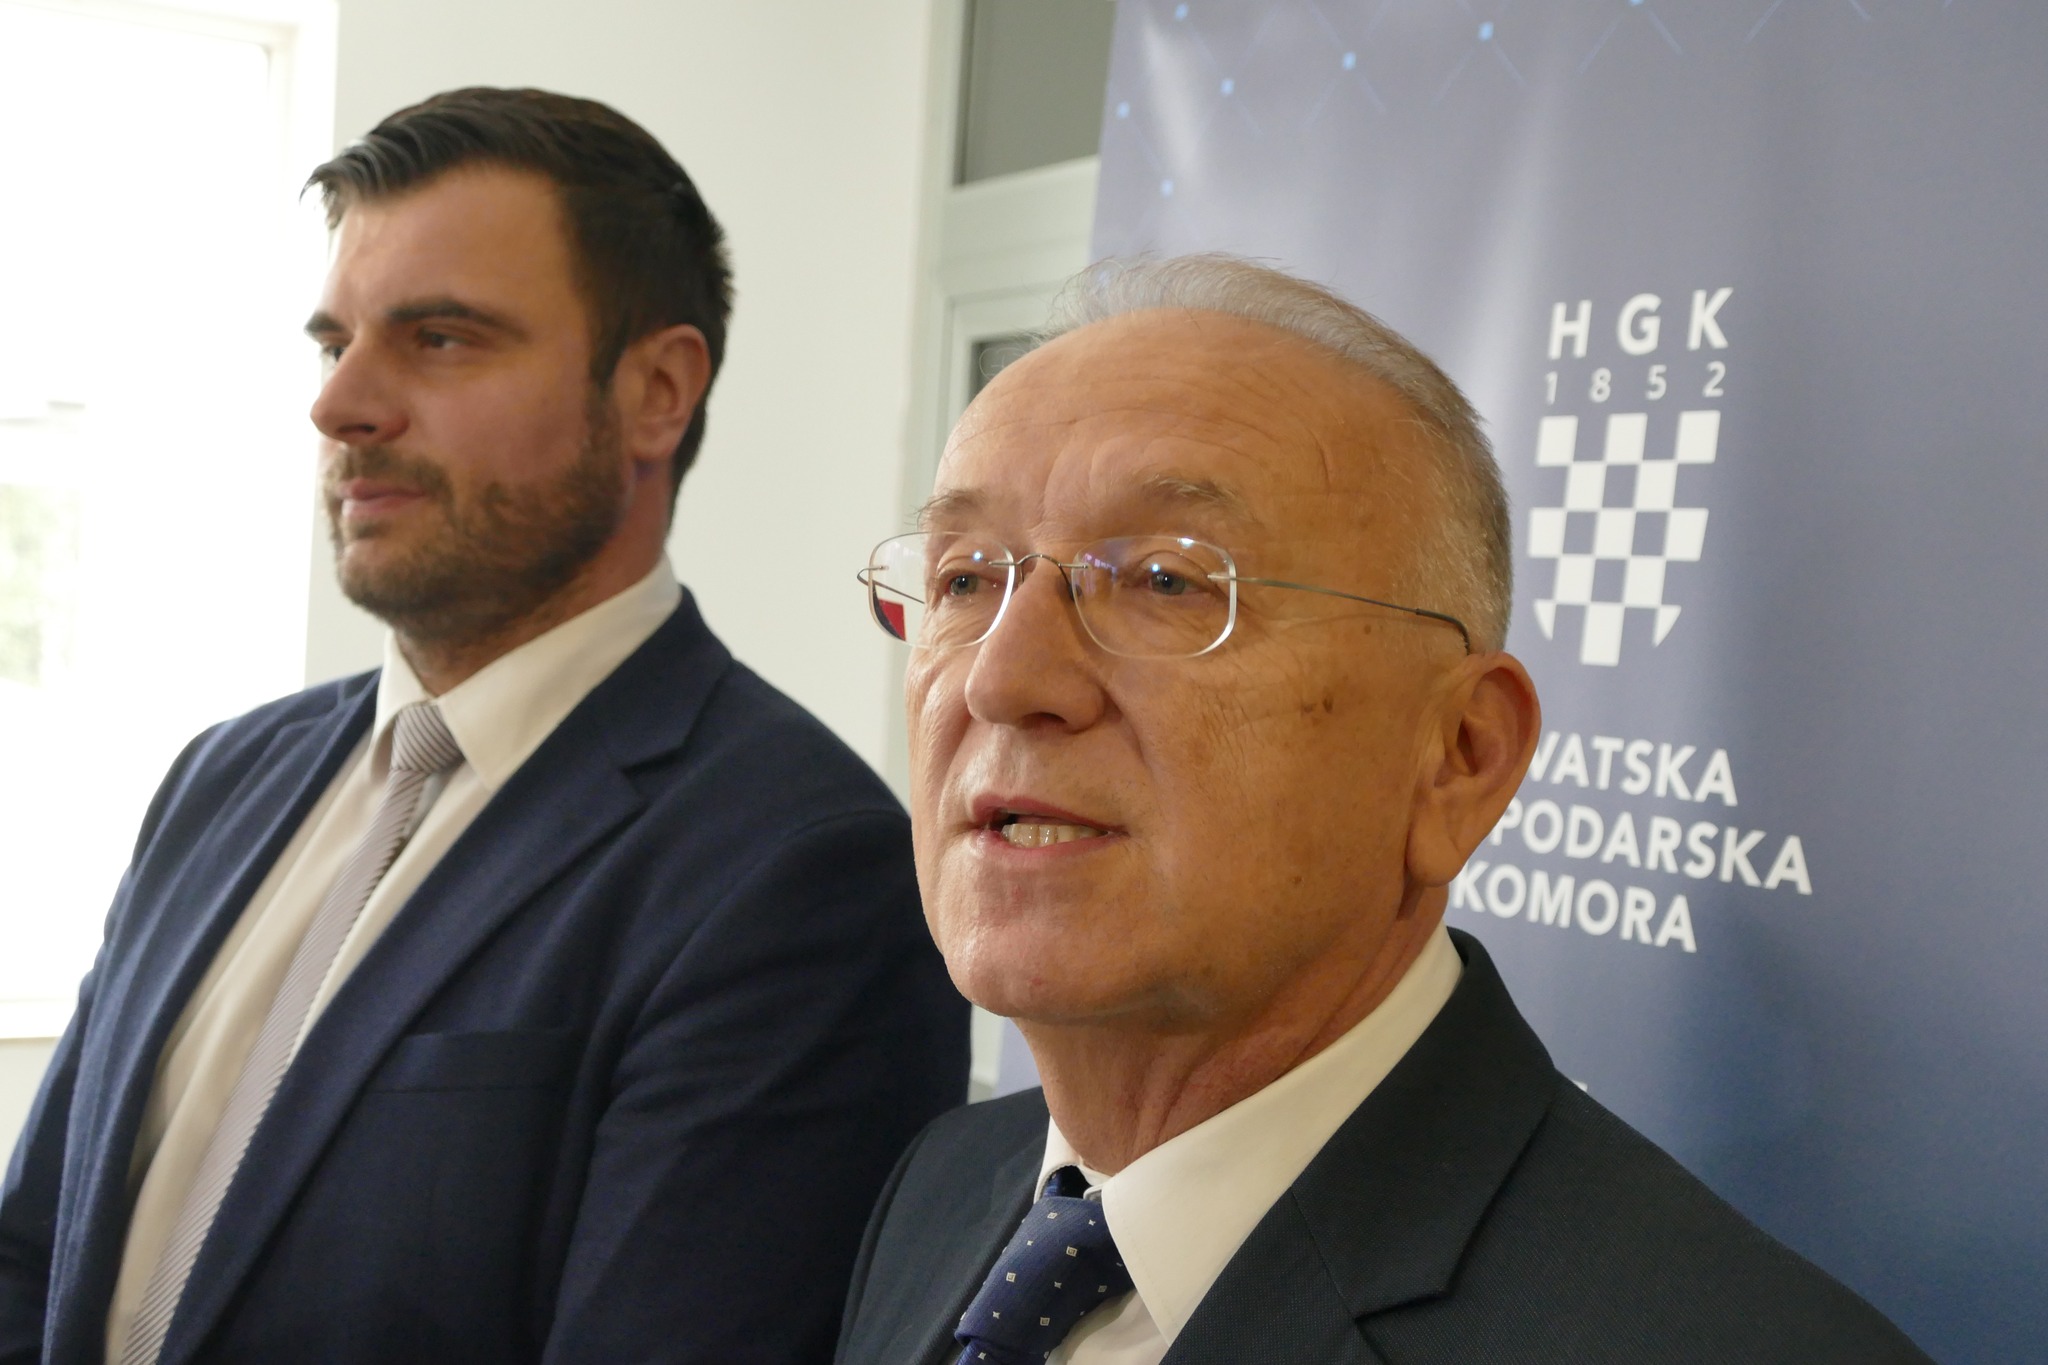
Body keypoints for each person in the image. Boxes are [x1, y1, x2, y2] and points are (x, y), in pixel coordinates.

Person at [0, 87, 966, 1365]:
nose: (342, 405)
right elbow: (35, 1255)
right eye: (333, 343)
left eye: (440, 339)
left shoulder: (800, 869)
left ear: (656, 392)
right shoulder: (223, 777)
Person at [834, 255, 1929, 1364]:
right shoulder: (942, 1184)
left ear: (1459, 757)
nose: (1001, 679)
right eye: (965, 578)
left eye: (1166, 580)